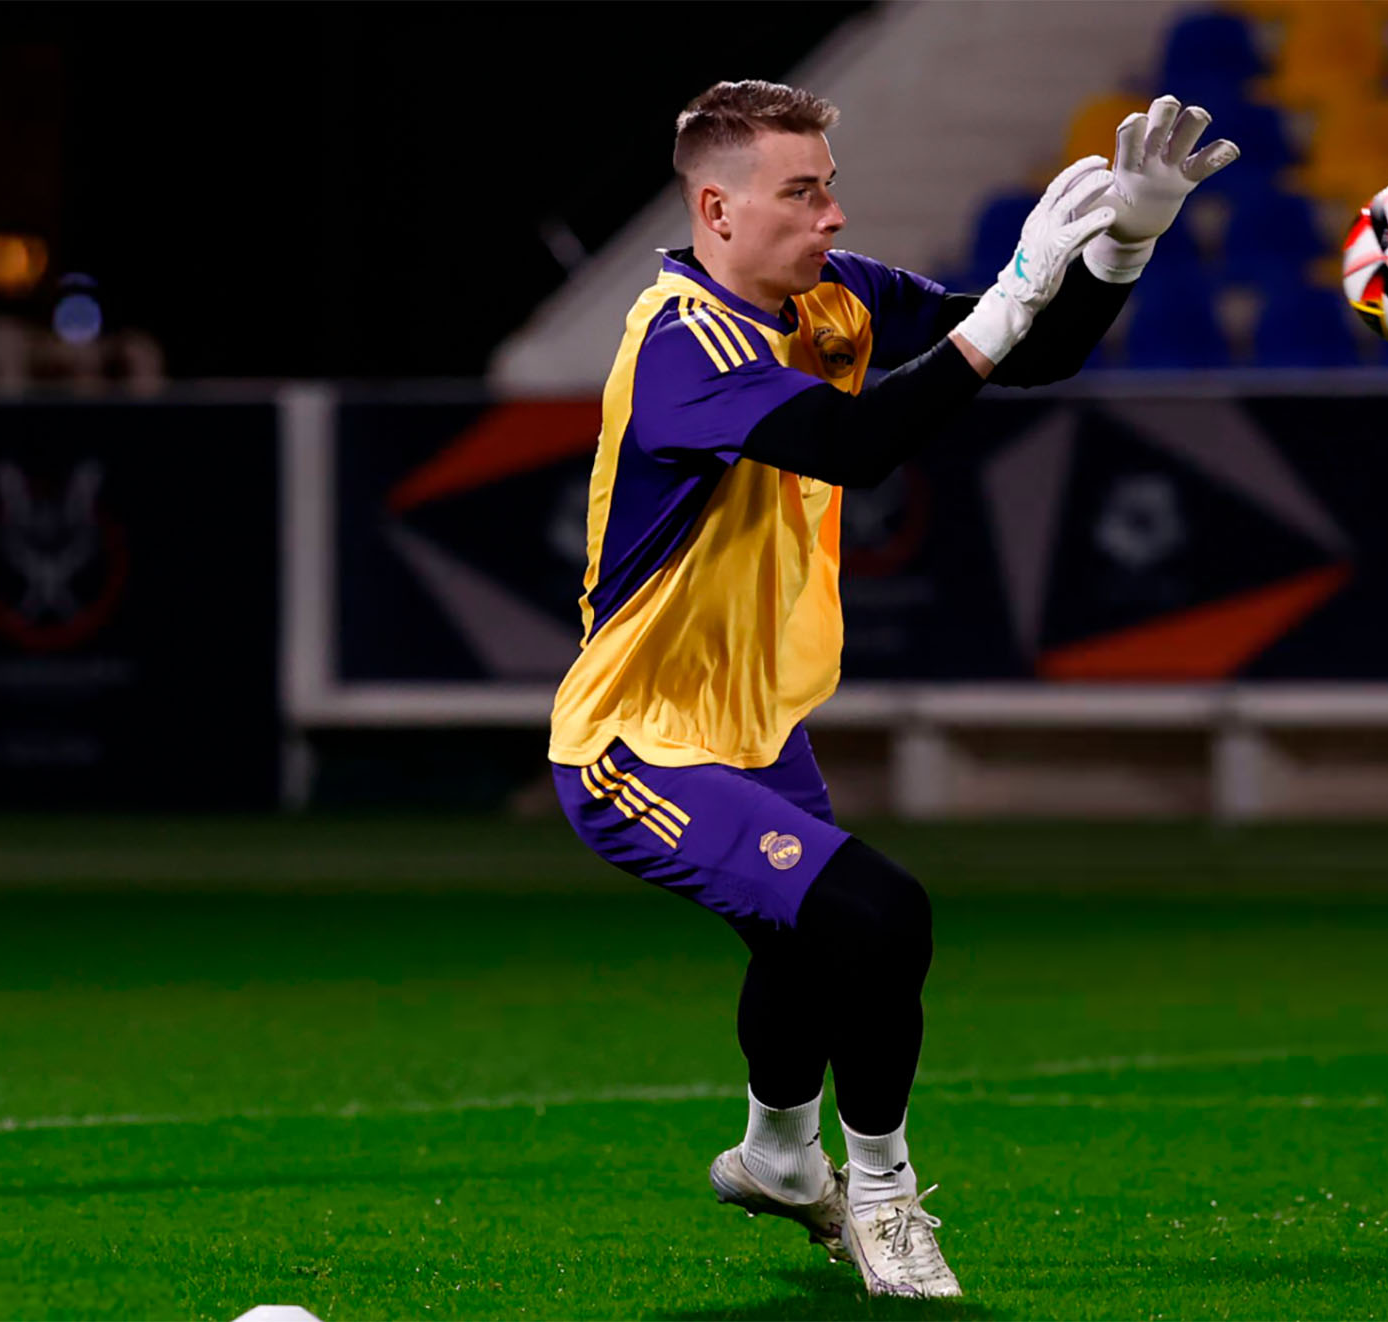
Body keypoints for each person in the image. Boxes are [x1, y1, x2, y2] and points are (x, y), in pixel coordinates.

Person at [548, 78, 1236, 1300]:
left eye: (828, 184)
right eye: (801, 190)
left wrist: (1123, 243)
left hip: (758, 727)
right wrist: (1016, 296)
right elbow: (859, 445)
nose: (831, 211)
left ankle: (773, 1154)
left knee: (812, 942)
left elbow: (1029, 354)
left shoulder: (838, 296)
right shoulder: (679, 337)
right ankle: (880, 1193)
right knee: (882, 916)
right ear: (717, 206)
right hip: (634, 742)